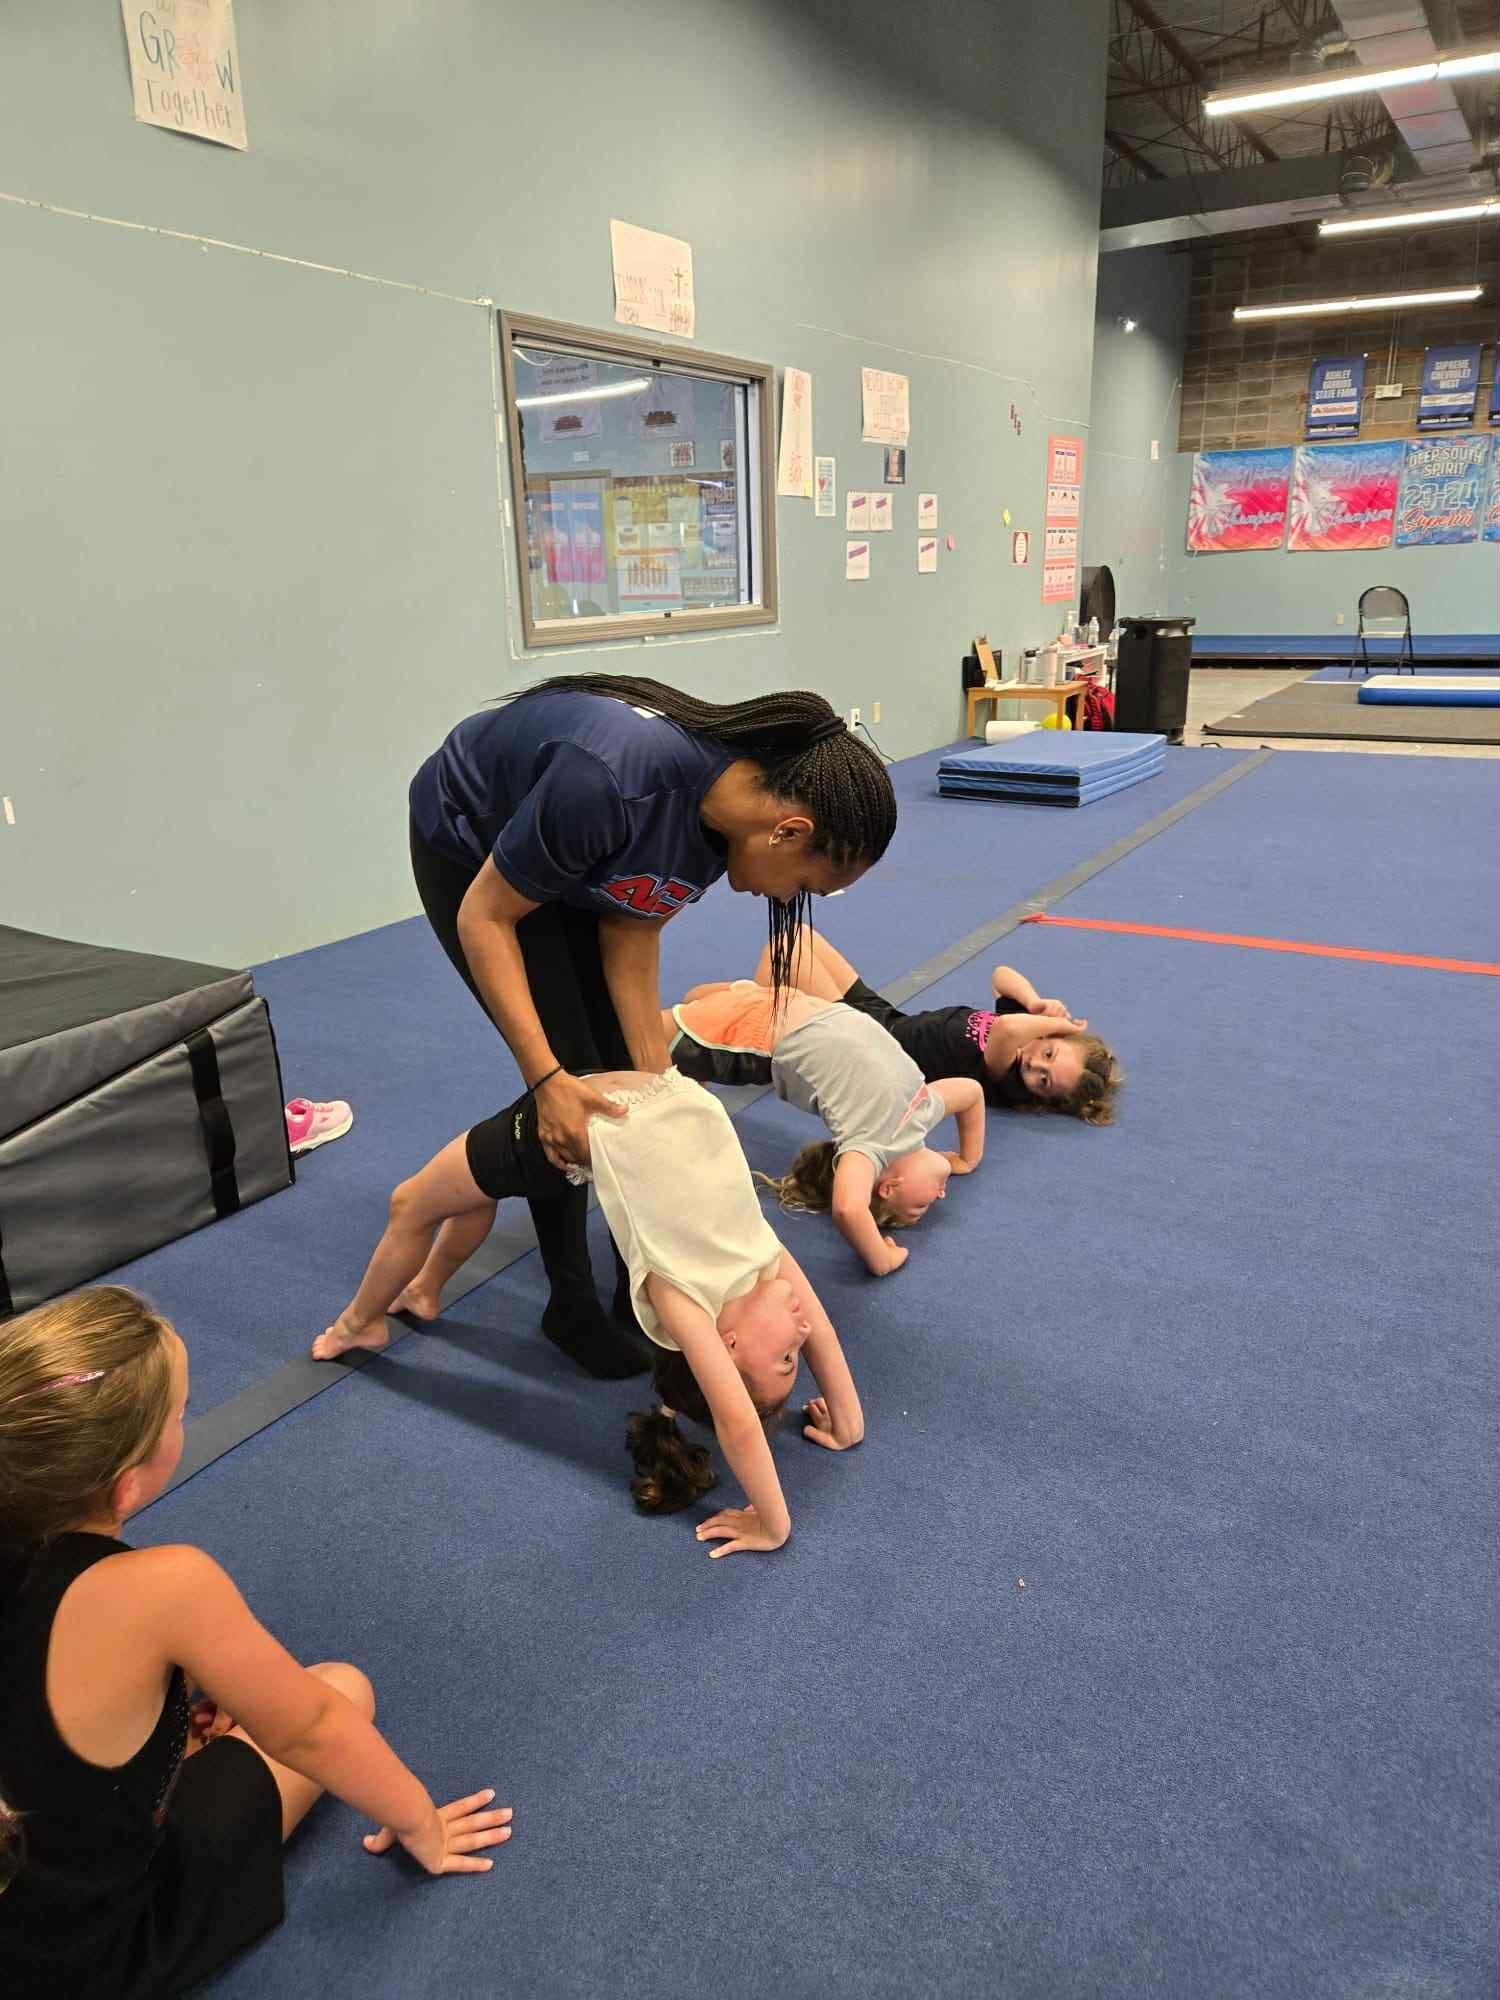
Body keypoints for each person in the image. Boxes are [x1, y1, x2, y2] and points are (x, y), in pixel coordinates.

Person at [0, 1289, 511, 2000]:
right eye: (180, 1414)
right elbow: (313, 1728)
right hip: (85, 1955)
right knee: (343, 1687)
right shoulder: (165, 1587)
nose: (187, 1420)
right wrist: (421, 1822)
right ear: (126, 1487)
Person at [406, 673, 898, 1380]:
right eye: (803, 886)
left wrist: (662, 1085)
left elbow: (631, 932)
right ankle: (568, 1302)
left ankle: (628, 1289)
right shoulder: (612, 782)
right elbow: (486, 918)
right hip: (468, 843)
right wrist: (547, 1080)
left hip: (569, 851)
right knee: (578, 1086)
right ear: (790, 830)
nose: (786, 899)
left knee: (626, 1085)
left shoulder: (716, 831)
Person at [311, 1069, 863, 1558]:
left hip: (558, 1125)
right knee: (474, 1193)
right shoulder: (760, 1258)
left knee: (410, 1204)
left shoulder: (684, 1294)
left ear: (729, 1347)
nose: (803, 1331)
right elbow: (827, 1336)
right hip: (602, 1107)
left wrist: (773, 1523)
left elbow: (738, 1421)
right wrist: (848, 1424)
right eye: (796, 1355)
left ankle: (360, 1323)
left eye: (787, 1356)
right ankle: (425, 1289)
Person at [664, 978, 985, 1278]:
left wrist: (880, 1259)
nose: (941, 1195)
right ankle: (691, 1051)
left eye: (923, 1204)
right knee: (696, 1005)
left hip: (761, 1035)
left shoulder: (870, 1147)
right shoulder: (922, 1110)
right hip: (791, 1004)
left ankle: (683, 1060)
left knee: (638, 1041)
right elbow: (972, 1092)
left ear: (889, 1186)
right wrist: (968, 1158)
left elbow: (848, 1208)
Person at [730, 931, 1121, 1125]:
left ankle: (763, 1048)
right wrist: (1036, 1001)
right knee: (794, 936)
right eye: (1049, 1055)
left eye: (1044, 1080)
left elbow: (1004, 1032)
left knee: (781, 960)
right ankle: (777, 1031)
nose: (1035, 1065)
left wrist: (1056, 1024)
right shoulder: (1030, 1030)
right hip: (889, 1018)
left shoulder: (1005, 1077)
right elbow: (1001, 975)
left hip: (873, 1040)